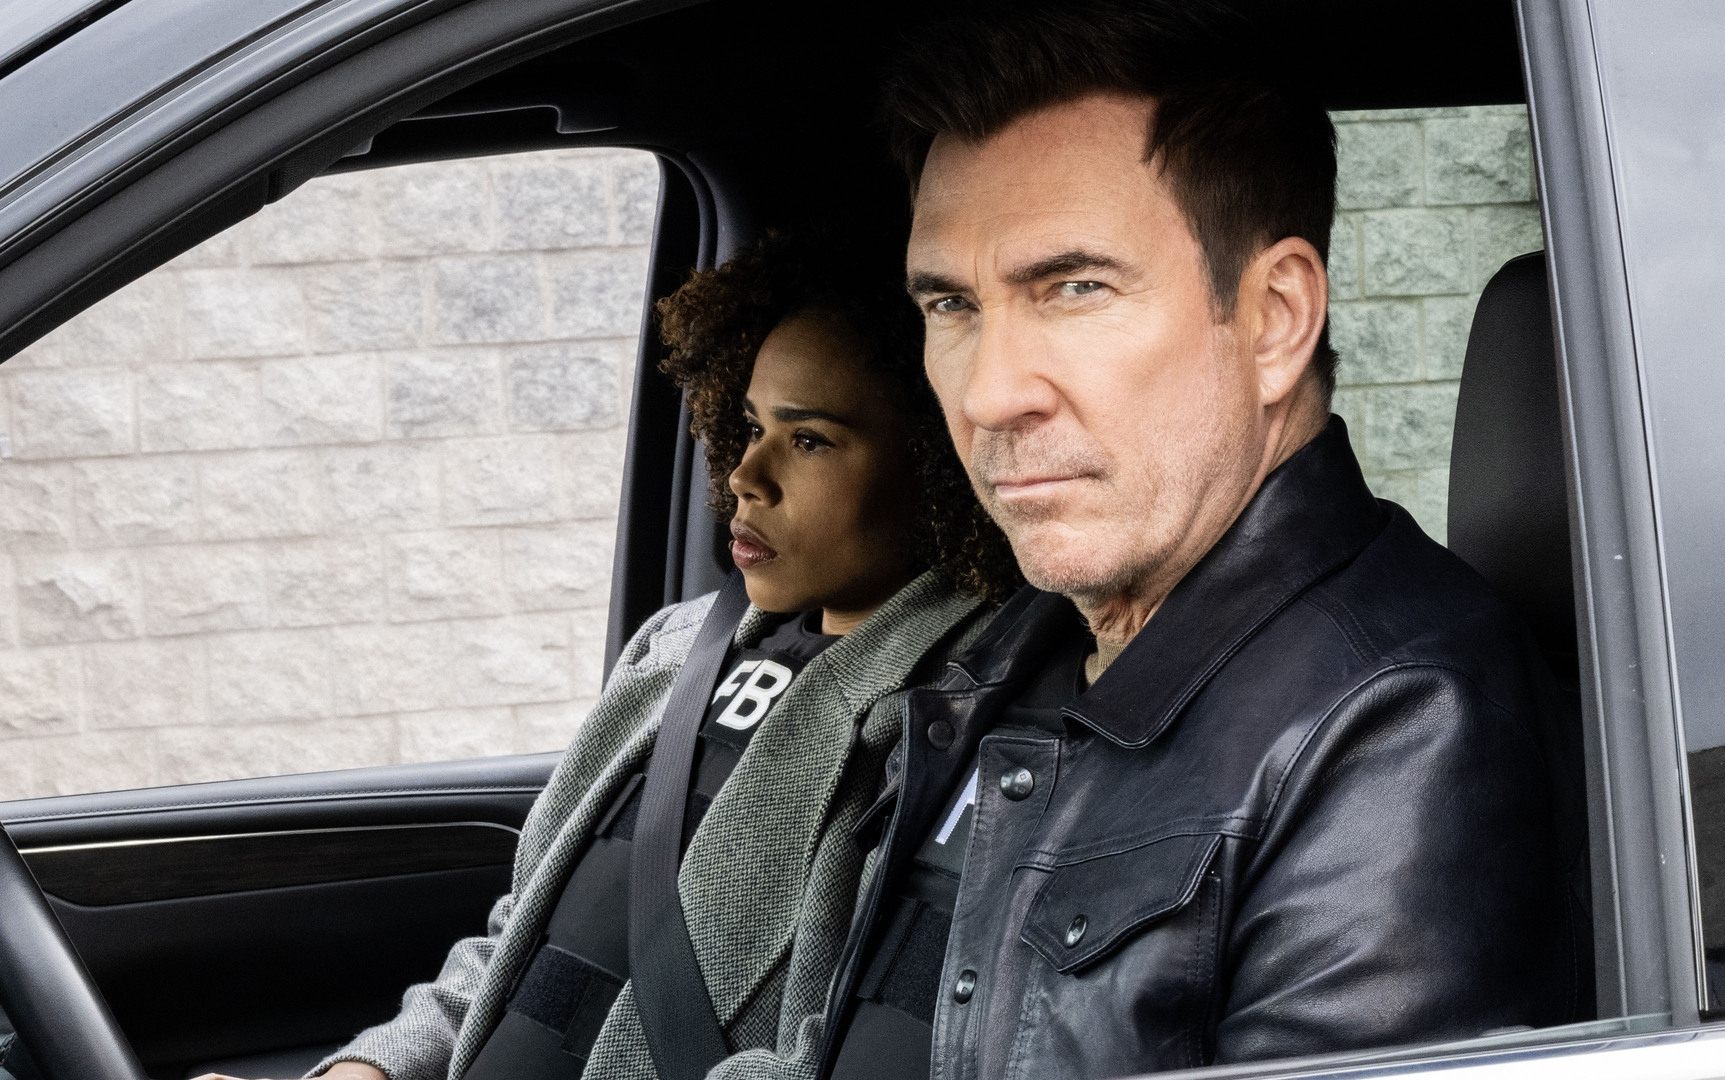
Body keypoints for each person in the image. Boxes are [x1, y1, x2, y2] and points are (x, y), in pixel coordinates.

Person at [811, 4, 1590, 1079]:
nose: (989, 394)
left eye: (1074, 288)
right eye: (952, 305)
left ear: (1274, 319)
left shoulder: (1404, 729)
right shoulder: (1003, 649)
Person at [197, 230, 1017, 1080]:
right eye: (750, 425)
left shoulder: (948, 728)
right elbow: (526, 941)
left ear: (938, 465)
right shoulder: (677, 647)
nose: (747, 474)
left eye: (809, 440)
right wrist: (369, 1071)